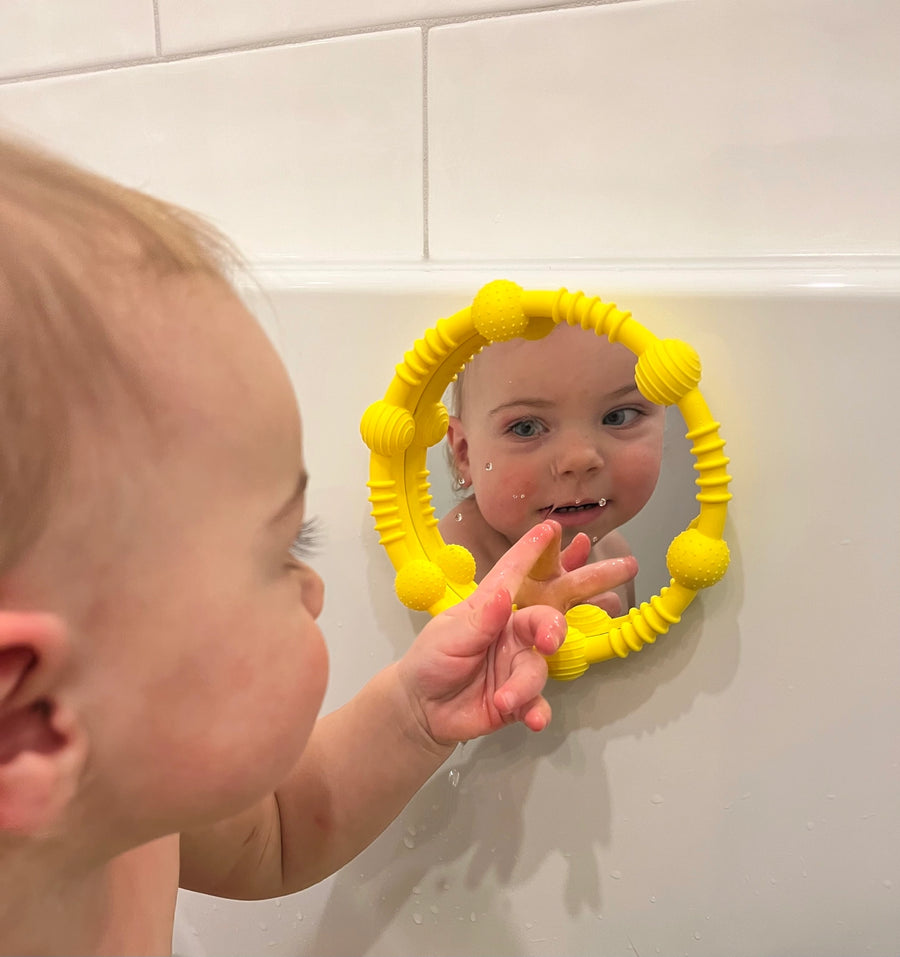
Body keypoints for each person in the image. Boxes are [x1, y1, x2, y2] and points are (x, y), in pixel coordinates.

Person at [0, 134, 638, 956]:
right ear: (33, 719)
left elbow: (277, 831)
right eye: (279, 551)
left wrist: (415, 713)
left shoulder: (125, 799)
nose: (314, 591)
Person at [438, 320, 667, 615]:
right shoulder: (448, 561)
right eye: (526, 427)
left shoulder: (615, 554)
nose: (580, 459)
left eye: (618, 417)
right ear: (465, 454)